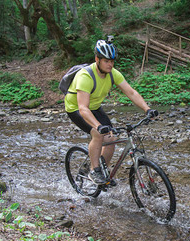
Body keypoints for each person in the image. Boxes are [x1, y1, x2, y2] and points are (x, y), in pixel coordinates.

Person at [65, 37, 158, 184]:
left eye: (112, 61)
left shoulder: (113, 73)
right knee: (97, 133)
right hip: (76, 108)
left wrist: (147, 109)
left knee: (112, 137)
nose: (110, 64)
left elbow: (131, 93)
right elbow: (83, 108)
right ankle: (95, 171)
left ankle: (103, 171)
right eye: (106, 61)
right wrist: (98, 126)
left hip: (94, 107)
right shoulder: (85, 76)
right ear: (97, 59)